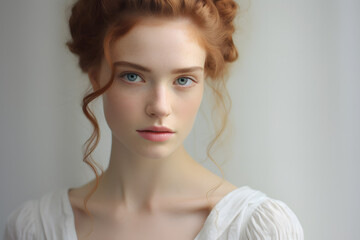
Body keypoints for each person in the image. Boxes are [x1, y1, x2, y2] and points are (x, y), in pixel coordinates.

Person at [5, 0, 304, 239]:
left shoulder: (255, 229)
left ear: (204, 80)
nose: (160, 107)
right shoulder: (36, 229)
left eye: (183, 80)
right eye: (133, 76)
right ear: (96, 77)